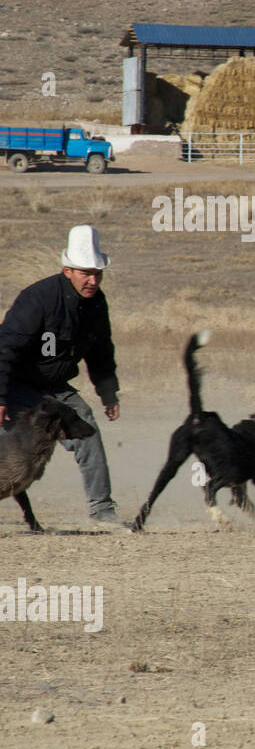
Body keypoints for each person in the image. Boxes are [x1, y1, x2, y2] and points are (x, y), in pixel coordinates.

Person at [0, 224, 123, 525]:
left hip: (55, 388)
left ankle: (103, 511)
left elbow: (101, 350)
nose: (93, 280)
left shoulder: (96, 304)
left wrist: (108, 392)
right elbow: (5, 347)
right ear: (67, 270)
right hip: (16, 385)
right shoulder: (38, 298)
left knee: (88, 432)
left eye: (97, 273)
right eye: (85, 273)